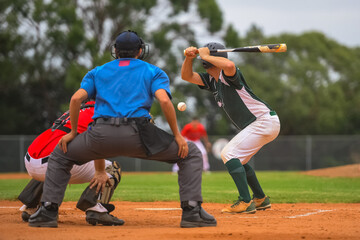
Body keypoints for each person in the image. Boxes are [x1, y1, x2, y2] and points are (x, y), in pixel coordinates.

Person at [28, 30, 216, 228]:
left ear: (115, 51)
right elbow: (164, 101)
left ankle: (47, 211)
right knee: (191, 153)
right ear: (140, 51)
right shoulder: (153, 71)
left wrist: (73, 133)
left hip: (99, 135)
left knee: (60, 155)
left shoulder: (97, 71)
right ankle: (192, 212)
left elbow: (75, 99)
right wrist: (177, 136)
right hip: (140, 135)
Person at [181, 42, 280, 214]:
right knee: (240, 160)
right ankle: (261, 199)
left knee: (228, 154)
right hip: (262, 123)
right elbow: (186, 76)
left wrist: (203, 55)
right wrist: (189, 59)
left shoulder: (228, 75)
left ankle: (245, 201)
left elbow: (229, 65)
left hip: (263, 121)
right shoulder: (211, 80)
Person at [18, 100, 123, 225]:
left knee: (57, 158)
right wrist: (99, 171)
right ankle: (95, 207)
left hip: (31, 156)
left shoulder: (82, 108)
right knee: (113, 168)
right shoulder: (103, 111)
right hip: (52, 162)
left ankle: (31, 204)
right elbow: (98, 143)